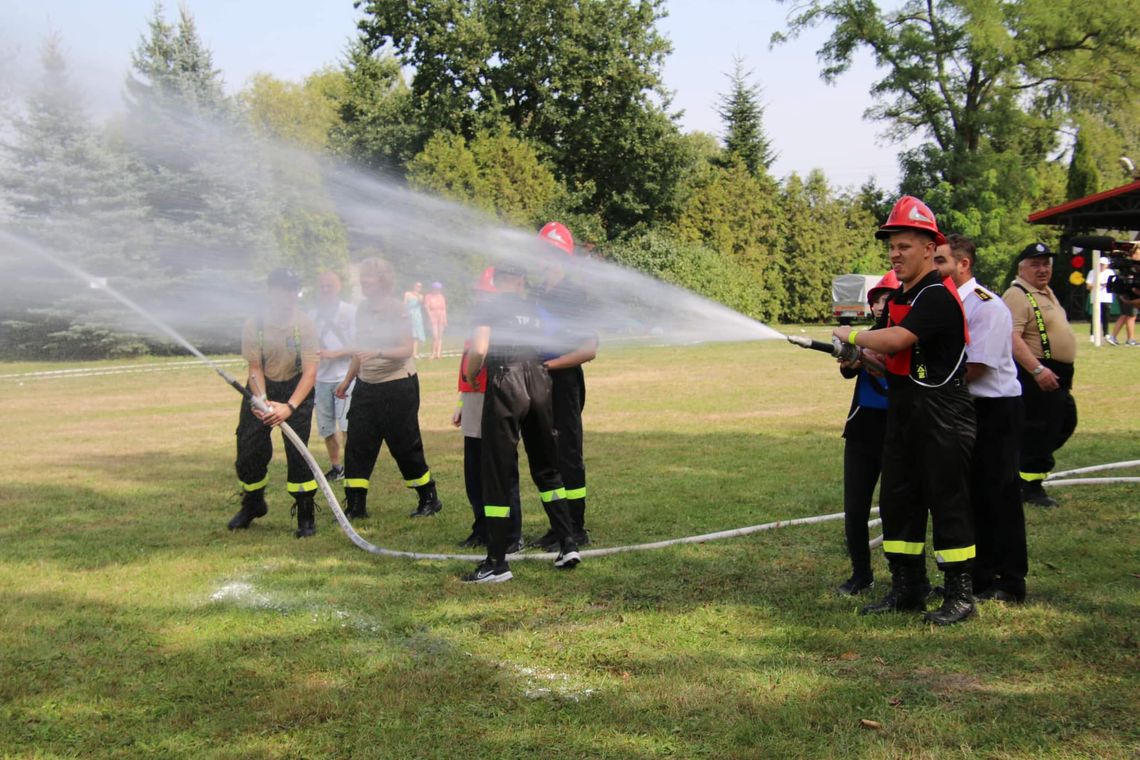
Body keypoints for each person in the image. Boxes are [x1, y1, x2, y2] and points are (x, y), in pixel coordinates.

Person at [833, 195, 977, 626]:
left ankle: (960, 595)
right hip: (903, 416)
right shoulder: (899, 296)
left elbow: (896, 340)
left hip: (943, 417)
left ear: (931, 248)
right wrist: (855, 356)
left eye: (905, 246)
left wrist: (853, 334)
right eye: (892, 246)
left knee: (947, 503)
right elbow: (886, 356)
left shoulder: (936, 296)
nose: (895, 254)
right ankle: (907, 587)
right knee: (898, 501)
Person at [460, 261, 579, 583]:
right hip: (540, 384)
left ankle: (497, 563)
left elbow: (480, 348)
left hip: (505, 383)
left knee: (498, 472)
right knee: (547, 467)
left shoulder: (490, 305)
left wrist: (471, 375)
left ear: (498, 281)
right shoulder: (533, 307)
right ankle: (568, 543)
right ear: (522, 280)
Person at [934, 235, 1027, 603]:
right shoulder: (945, 303)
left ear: (963, 264)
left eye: (941, 261)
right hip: (961, 406)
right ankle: (979, 575)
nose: (935, 268)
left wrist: (929, 386)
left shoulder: (987, 306)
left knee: (999, 493)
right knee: (970, 494)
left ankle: (1010, 579)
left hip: (995, 409)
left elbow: (975, 367)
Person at [337, 258, 442, 521]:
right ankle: (355, 505)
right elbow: (360, 350)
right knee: (357, 443)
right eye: (362, 277)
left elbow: (406, 348)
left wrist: (379, 352)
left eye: (368, 277)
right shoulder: (362, 309)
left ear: (383, 280)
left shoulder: (397, 309)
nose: (363, 281)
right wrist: (348, 380)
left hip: (397, 384)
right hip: (366, 385)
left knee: (404, 443)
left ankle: (428, 497)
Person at [227, 268, 320, 538]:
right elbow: (254, 367)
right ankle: (253, 503)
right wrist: (263, 402)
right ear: (271, 291)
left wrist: (288, 407)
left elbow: (311, 371)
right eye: (283, 289)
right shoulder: (254, 325)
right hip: (262, 388)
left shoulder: (304, 324)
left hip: (297, 388)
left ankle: (305, 515)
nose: (289, 295)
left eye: (293, 289)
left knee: (298, 452)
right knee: (248, 448)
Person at [532, 221, 598, 550]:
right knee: (547, 456)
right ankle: (558, 525)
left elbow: (589, 349)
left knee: (568, 456)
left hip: (562, 384)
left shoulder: (573, 294)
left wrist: (549, 365)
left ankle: (576, 527)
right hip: (538, 384)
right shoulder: (536, 292)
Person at [1002, 243, 1078, 508]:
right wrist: (1036, 369)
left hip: (1057, 373)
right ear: (1022, 268)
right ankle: (1030, 487)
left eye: (1046, 263)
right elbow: (1011, 337)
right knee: (1040, 428)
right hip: (1037, 372)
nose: (1043, 269)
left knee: (1063, 421)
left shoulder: (1045, 292)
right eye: (1035, 264)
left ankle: (1020, 472)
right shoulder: (1017, 294)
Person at [835, 269, 896, 596]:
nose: (879, 306)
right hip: (861, 430)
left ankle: (904, 576)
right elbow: (847, 369)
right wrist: (849, 357)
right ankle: (861, 573)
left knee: (895, 507)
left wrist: (870, 356)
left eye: (886, 299)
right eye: (876, 300)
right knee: (855, 506)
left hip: (897, 430)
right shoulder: (866, 336)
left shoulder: (907, 335)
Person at [452, 268, 522, 551]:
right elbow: (467, 366)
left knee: (498, 466)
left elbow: (479, 357)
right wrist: (460, 402)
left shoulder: (498, 317)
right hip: (473, 398)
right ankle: (481, 527)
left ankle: (510, 533)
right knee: (475, 469)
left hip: (492, 395)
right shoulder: (480, 319)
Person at [308, 271, 357, 481]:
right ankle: (336, 467)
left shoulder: (350, 311)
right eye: (322, 286)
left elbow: (359, 345)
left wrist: (334, 353)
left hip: (345, 376)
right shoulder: (311, 315)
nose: (326, 290)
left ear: (339, 287)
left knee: (346, 425)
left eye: (330, 286)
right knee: (326, 427)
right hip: (321, 379)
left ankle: (353, 467)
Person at [1108, 243, 1140, 346]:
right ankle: (1130, 339)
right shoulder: (1129, 267)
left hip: (1126, 293)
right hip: (1127, 293)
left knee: (1126, 315)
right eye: (1138, 254)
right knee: (1131, 315)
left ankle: (1113, 336)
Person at [1086, 257, 1114, 342]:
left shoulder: (1110, 272)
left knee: (1106, 316)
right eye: (1100, 264)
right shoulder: (1092, 272)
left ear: (1107, 265)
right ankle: (1093, 334)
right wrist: (1096, 284)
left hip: (1106, 297)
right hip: (1096, 297)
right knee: (1095, 316)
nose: (1101, 266)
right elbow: (1088, 286)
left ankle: (1106, 334)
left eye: (1103, 265)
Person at [424, 281, 448, 359]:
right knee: (435, 336)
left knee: (440, 336)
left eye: (439, 289)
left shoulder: (441, 297)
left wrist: (445, 319)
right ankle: (432, 354)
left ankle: (438, 354)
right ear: (433, 288)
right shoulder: (428, 296)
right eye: (436, 289)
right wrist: (430, 317)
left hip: (441, 316)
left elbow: (444, 309)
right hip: (433, 316)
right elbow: (427, 308)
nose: (438, 290)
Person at [403, 281, 426, 358]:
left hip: (417, 316)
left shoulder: (421, 296)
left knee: (416, 335)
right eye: (417, 286)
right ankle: (407, 352)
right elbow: (404, 304)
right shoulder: (407, 294)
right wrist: (404, 313)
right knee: (409, 335)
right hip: (409, 315)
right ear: (414, 286)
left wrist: (418, 296)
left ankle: (415, 354)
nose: (418, 288)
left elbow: (421, 302)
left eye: (420, 286)